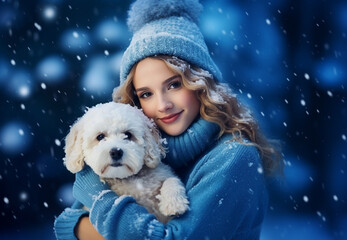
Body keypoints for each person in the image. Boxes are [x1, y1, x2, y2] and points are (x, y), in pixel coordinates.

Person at [54, 0, 283, 239]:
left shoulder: (234, 157)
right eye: (146, 94)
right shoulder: (136, 148)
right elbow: (65, 227)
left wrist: (96, 196)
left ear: (200, 83)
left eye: (174, 85)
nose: (162, 105)